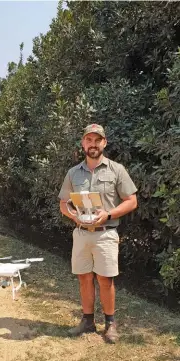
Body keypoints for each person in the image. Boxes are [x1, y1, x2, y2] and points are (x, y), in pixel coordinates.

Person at [58, 124, 137, 343]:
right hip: (82, 233)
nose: (92, 144)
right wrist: (74, 216)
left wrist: (109, 214)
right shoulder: (73, 173)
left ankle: (110, 324)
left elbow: (132, 201)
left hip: (106, 233)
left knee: (105, 279)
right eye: (88, 140)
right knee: (84, 277)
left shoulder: (116, 170)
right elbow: (64, 204)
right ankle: (87, 321)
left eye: (97, 140)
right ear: (83, 143)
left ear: (104, 143)